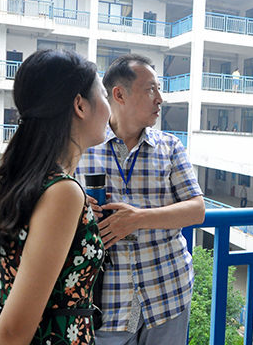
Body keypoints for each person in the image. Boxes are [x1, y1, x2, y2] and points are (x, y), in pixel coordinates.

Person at [0, 49, 111, 345]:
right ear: (80, 105)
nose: (109, 108)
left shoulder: (21, 178)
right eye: (104, 95)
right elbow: (14, 330)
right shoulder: (63, 192)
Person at [76, 54, 205, 345]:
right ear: (119, 95)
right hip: (109, 303)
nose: (160, 98)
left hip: (167, 294)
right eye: (150, 89)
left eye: (159, 89)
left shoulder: (170, 147)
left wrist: (138, 219)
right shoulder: (83, 147)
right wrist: (80, 210)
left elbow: (197, 210)